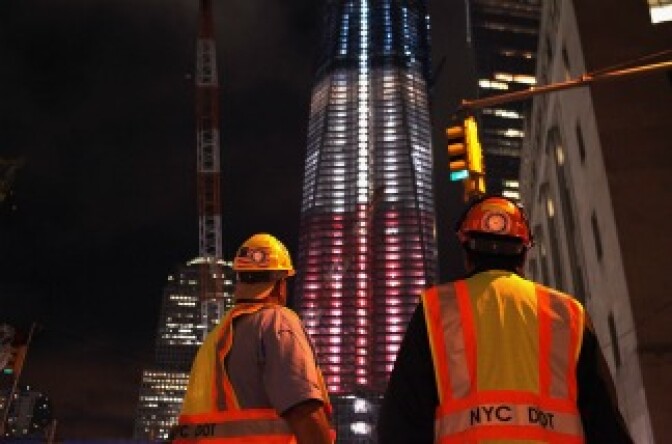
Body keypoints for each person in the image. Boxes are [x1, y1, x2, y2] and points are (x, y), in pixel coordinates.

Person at [377, 196, 633, 443]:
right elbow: (605, 424)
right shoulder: (569, 314)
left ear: (467, 250)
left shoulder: (436, 310)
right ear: (524, 252)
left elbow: (400, 423)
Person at [171, 233, 334, 444]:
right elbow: (303, 410)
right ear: (280, 283)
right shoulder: (276, 321)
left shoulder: (216, 338)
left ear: (239, 278)